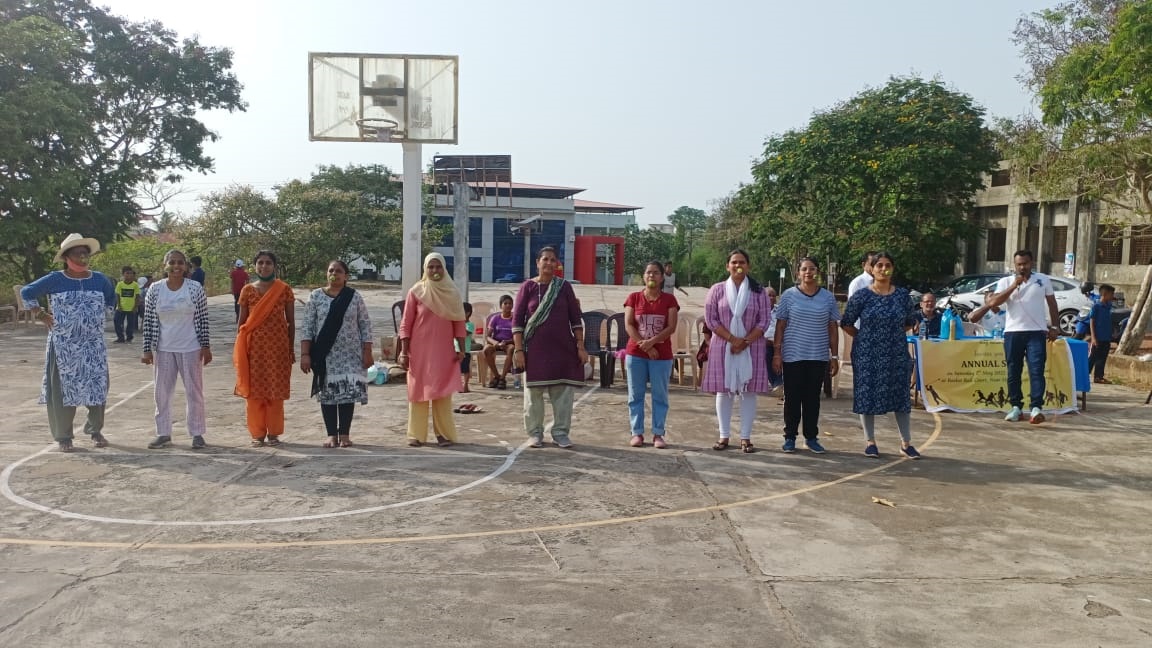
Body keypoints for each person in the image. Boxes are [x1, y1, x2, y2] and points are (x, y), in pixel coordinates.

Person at [20, 233, 117, 452]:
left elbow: (111, 298)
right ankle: (64, 435)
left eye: (85, 253)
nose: (82, 257)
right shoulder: (56, 279)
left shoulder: (100, 279)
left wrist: (102, 315)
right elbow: (27, 292)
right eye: (77, 253)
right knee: (63, 389)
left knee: (97, 387)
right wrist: (41, 313)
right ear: (66, 257)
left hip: (93, 345)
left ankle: (95, 429)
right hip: (64, 346)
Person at [841, 252, 921, 459]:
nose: (883, 269)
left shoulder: (902, 295)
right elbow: (847, 322)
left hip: (895, 352)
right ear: (872, 269)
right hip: (867, 353)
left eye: (887, 265)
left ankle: (906, 442)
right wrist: (866, 337)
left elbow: (909, 322)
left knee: (900, 395)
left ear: (892, 269)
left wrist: (889, 335)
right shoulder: (862, 295)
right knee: (867, 394)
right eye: (879, 265)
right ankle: (870, 442)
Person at [512, 246, 589, 449]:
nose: (548, 263)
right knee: (533, 394)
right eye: (545, 259)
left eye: (553, 260)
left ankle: (561, 432)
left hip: (562, 349)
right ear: (537, 262)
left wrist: (580, 345)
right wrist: (519, 350)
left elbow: (575, 319)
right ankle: (535, 433)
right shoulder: (527, 287)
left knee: (563, 393)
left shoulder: (564, 287)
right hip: (534, 350)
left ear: (557, 264)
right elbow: (517, 321)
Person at [701, 249, 772, 453]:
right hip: (723, 345)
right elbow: (711, 319)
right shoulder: (717, 290)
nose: (737, 265)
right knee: (724, 390)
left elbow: (764, 320)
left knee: (748, 390)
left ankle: (746, 437)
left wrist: (745, 341)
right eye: (733, 262)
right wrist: (733, 339)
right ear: (727, 266)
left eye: (741, 262)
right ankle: (723, 436)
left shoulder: (759, 292)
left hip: (752, 346)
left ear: (748, 266)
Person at [140, 249, 212, 449]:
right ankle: (163, 433)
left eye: (180, 262)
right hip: (163, 349)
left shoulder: (195, 288)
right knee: (161, 392)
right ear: (166, 265)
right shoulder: (155, 289)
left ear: (186, 266)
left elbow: (203, 320)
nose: (176, 266)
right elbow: (148, 322)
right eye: (172, 262)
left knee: (194, 392)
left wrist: (205, 346)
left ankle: (197, 433)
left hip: (190, 348)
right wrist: (147, 350)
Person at [301, 260, 374, 448]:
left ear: (346, 276)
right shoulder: (315, 296)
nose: (335, 273)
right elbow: (307, 327)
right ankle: (331, 434)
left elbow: (365, 324)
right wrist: (305, 354)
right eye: (331, 270)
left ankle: (345, 435)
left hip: (351, 354)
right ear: (327, 274)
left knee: (347, 392)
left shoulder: (354, 297)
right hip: (325, 354)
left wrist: (367, 351)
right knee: (328, 393)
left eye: (339, 271)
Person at [397, 253, 467, 448]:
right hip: (418, 351)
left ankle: (444, 435)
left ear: (444, 269)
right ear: (425, 270)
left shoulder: (453, 293)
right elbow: (406, 323)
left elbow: (459, 323)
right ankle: (416, 435)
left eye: (438, 267)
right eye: (431, 267)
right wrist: (404, 351)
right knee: (418, 390)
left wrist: (461, 349)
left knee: (442, 391)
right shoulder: (416, 291)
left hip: (444, 352)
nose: (435, 271)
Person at [772, 257, 841, 454]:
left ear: (817, 272)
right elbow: (781, 325)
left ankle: (811, 437)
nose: (808, 272)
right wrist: (777, 352)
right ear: (798, 273)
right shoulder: (788, 296)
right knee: (792, 398)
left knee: (813, 399)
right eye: (804, 269)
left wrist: (834, 356)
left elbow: (832, 328)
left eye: (812, 269)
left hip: (818, 356)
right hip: (793, 355)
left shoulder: (827, 297)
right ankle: (790, 437)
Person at [985, 249, 1061, 424]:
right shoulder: (1006, 282)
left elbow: (1052, 303)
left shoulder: (1043, 280)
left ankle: (1036, 408)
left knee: (1036, 370)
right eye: (1019, 264)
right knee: (1013, 371)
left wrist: (1055, 326)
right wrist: (1014, 285)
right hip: (1013, 332)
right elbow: (994, 303)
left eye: (1025, 264)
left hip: (1037, 332)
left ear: (1031, 263)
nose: (1022, 267)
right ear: (1014, 265)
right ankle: (1016, 407)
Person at [234, 250, 295, 447]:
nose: (264, 266)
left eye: (268, 263)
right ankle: (257, 434)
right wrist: (240, 350)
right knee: (255, 392)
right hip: (254, 350)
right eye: (260, 262)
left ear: (274, 266)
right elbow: (241, 323)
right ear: (255, 266)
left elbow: (290, 322)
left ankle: (274, 433)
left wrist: (290, 349)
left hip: (278, 349)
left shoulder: (284, 289)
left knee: (275, 391)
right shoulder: (247, 290)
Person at [624, 260, 680, 448]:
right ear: (643, 276)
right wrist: (645, 345)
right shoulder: (633, 298)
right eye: (648, 272)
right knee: (635, 395)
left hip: (661, 356)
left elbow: (671, 327)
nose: (652, 276)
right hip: (636, 354)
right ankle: (637, 432)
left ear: (662, 277)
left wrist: (652, 343)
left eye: (656, 273)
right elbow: (629, 324)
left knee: (660, 395)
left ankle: (658, 433)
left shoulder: (669, 300)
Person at [483, 295, 516, 389]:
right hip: (496, 342)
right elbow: (488, 336)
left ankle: (502, 378)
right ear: (501, 305)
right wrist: (495, 343)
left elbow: (517, 337)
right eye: (505, 303)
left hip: (509, 343)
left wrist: (506, 342)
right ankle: (497, 376)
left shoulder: (515, 319)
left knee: (512, 349)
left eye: (510, 303)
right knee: (487, 349)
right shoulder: (495, 318)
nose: (508, 305)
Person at [1088, 284, 1116, 384]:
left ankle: (1098, 377)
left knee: (1102, 358)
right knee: (1092, 357)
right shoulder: (1096, 306)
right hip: (1098, 337)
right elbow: (1092, 322)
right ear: (1105, 294)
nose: (1112, 296)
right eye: (1111, 294)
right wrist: (1093, 337)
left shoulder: (1108, 306)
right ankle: (1084, 375)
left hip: (1106, 337)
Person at [113, 266, 140, 344]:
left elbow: (137, 296)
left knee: (130, 324)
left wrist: (135, 307)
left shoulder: (135, 285)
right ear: (123, 274)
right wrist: (119, 305)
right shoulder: (120, 284)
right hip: (121, 308)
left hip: (131, 308)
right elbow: (117, 295)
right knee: (117, 321)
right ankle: (120, 337)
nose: (129, 275)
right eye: (127, 273)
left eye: (131, 273)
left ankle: (129, 337)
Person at [763, 286, 782, 390]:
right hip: (764, 342)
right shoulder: (758, 311)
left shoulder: (780, 311)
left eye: (773, 296)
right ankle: (776, 383)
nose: (771, 298)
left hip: (779, 342)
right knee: (766, 353)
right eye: (768, 295)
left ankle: (782, 383)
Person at [459, 302, 475, 393]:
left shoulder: (470, 325)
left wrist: (458, 326)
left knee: (465, 369)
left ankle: (465, 384)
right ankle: (459, 384)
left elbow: (465, 333)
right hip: (455, 350)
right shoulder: (458, 324)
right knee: (457, 369)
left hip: (465, 350)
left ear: (467, 313)